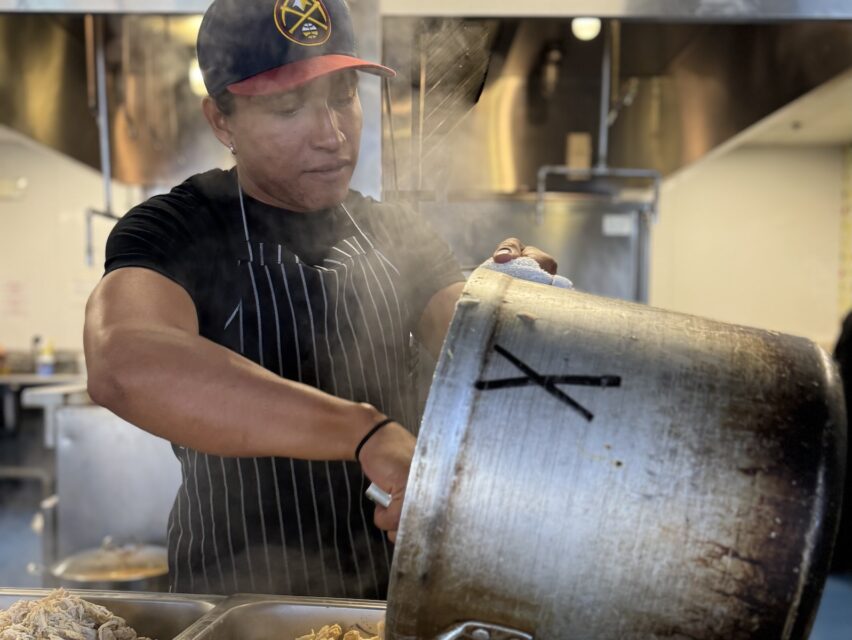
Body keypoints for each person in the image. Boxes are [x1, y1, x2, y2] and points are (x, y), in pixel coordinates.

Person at [83, 0, 556, 598]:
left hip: (390, 602)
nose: (332, 135)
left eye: (343, 96)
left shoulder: (398, 234)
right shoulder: (177, 229)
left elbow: (482, 365)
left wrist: (514, 309)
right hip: (236, 606)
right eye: (288, 107)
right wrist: (363, 432)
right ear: (221, 121)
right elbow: (124, 364)